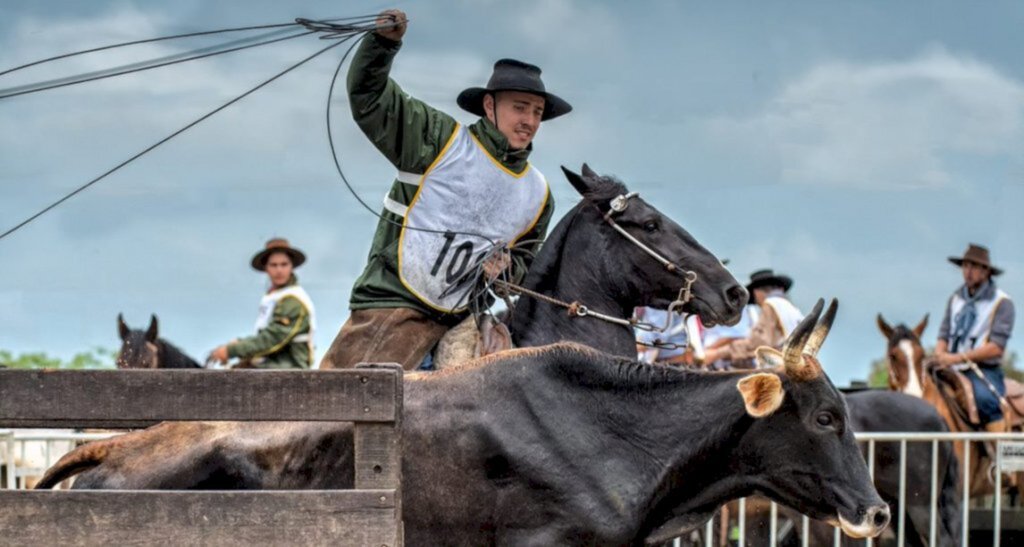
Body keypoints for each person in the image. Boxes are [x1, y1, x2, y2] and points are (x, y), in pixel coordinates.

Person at [321, 9, 571, 370]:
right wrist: (382, 45)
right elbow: (371, 99)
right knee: (330, 414)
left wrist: (505, 270)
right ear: (489, 106)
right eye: (520, 108)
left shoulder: (538, 194)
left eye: (537, 112)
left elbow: (525, 267)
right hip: (394, 307)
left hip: (462, 323)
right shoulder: (439, 140)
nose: (530, 121)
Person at [933, 244, 1015, 432]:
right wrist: (940, 355)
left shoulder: (1002, 302)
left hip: (982, 369)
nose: (968, 272)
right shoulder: (956, 298)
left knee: (987, 401)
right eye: (965, 266)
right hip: (950, 365)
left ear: (986, 271)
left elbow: (996, 347)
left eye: (974, 266)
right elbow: (944, 333)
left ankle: (997, 453)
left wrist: (957, 358)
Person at [208, 238, 316, 369]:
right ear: (266, 268)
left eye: (284, 264)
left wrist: (232, 350)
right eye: (274, 265)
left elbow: (272, 339)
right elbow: (265, 335)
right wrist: (241, 343)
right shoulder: (273, 296)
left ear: (291, 266)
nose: (279, 270)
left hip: (291, 368)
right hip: (271, 364)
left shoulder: (293, 299)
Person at [701, 269, 803, 368]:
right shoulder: (791, 309)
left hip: (778, 366)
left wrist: (718, 353)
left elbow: (760, 343)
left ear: (757, 291)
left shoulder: (771, 305)